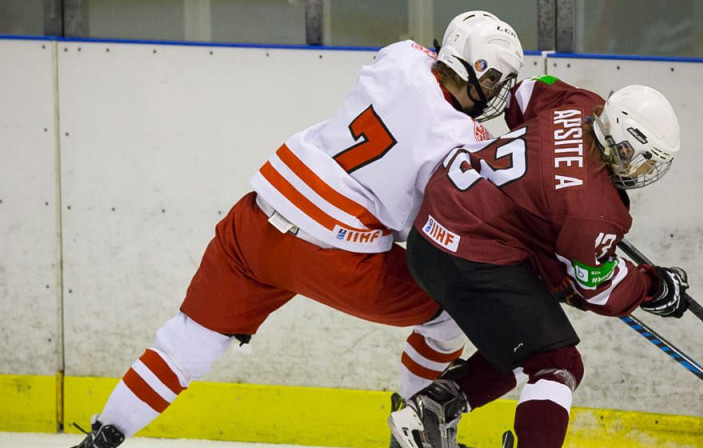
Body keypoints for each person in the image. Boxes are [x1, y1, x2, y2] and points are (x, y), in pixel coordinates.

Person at [70, 10, 524, 448]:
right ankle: (415, 429)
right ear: (469, 67)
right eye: (491, 78)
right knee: (447, 314)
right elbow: (436, 223)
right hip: (333, 256)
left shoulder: (401, 55)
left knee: (186, 342)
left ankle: (102, 436)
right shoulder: (462, 139)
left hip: (255, 223)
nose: (493, 91)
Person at [387, 76, 689, 448]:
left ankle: (430, 412)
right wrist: (654, 286)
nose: (645, 173)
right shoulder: (594, 211)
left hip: (432, 233)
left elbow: (525, 91)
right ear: (624, 146)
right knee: (557, 363)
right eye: (645, 162)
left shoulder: (579, 104)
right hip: (470, 256)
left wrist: (543, 168)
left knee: (523, 347)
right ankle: (437, 415)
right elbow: (600, 290)